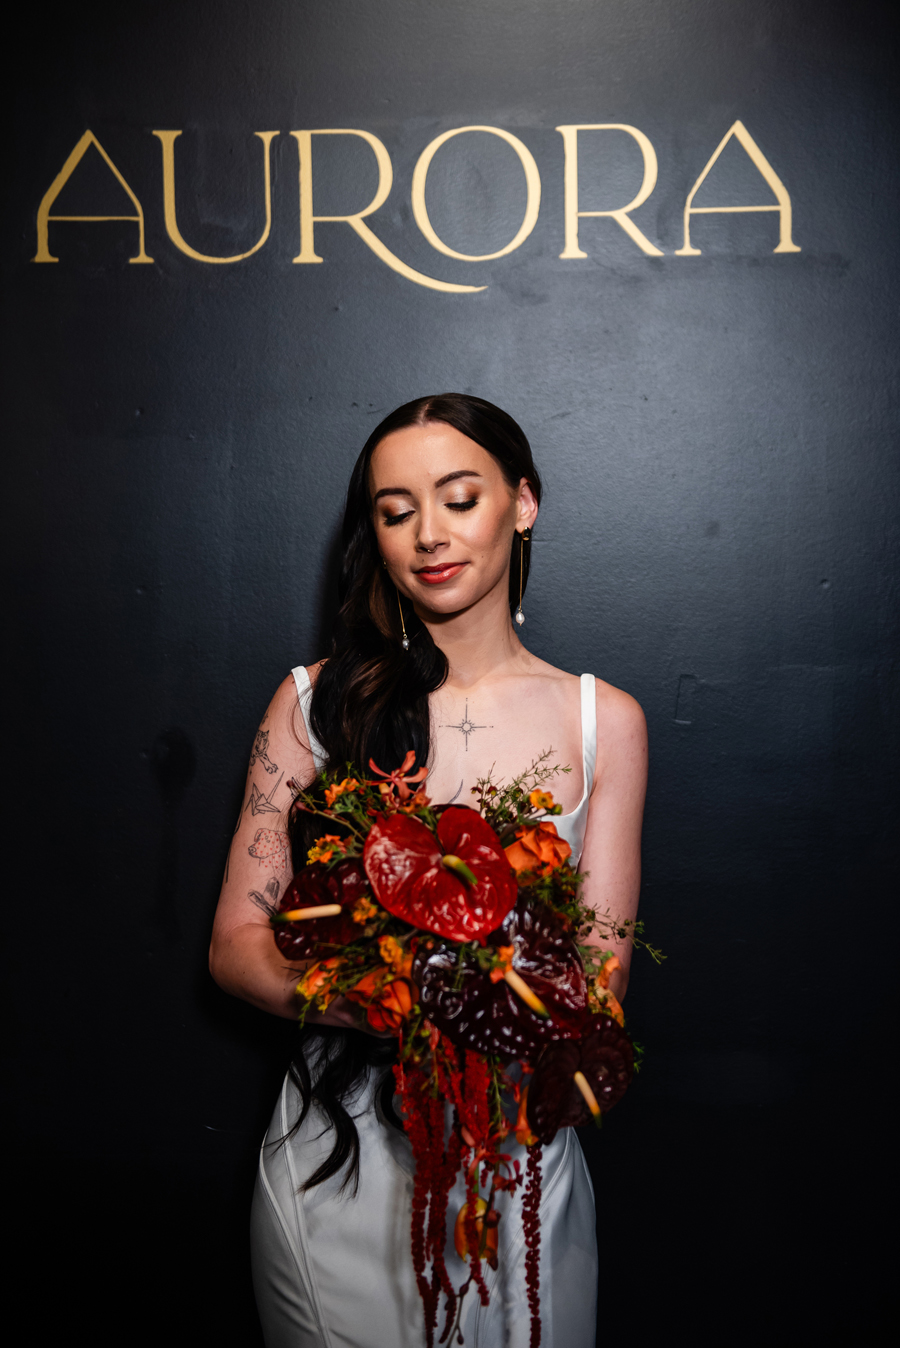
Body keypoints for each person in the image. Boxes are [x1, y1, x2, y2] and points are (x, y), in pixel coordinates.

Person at [209, 393, 648, 1348]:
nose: (429, 536)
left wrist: (489, 1005)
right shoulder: (313, 703)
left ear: (522, 504)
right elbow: (236, 945)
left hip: (518, 1154)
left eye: (459, 499)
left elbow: (602, 973)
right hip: (342, 1156)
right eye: (396, 511)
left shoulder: (601, 719)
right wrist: (380, 1002)